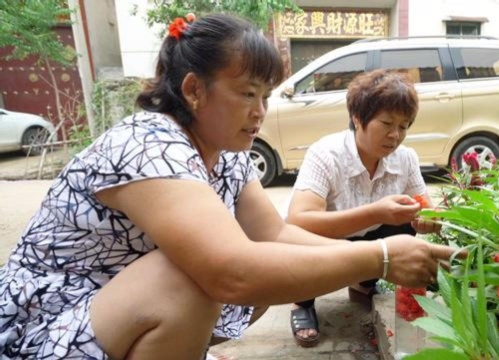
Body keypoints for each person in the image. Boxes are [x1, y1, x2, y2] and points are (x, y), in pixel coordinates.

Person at [0, 14, 455, 360]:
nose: (260, 111)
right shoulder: (148, 142)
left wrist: (379, 259)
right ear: (195, 90)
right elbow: (231, 273)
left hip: (109, 304)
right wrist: (380, 255)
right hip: (47, 319)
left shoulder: (229, 155)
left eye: (267, 96)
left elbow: (274, 235)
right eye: (247, 93)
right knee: (189, 279)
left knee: (259, 268)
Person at [287, 69, 441, 347]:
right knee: (301, 242)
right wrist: (376, 212)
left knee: (404, 226)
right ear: (358, 119)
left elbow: (425, 207)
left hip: (370, 239)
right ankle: (302, 302)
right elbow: (298, 221)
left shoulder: (405, 159)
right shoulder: (326, 154)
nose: (395, 135)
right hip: (327, 241)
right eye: (386, 123)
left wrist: (428, 219)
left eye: (404, 126)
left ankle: (363, 285)